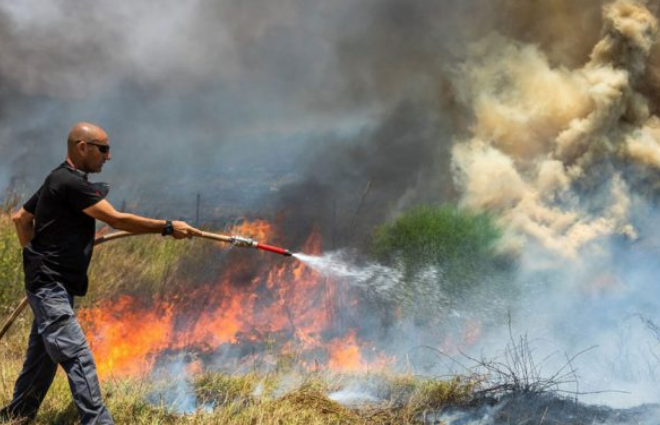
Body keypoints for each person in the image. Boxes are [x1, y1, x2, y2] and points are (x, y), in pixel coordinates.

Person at [0, 122, 202, 424]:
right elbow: (117, 219)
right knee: (76, 356)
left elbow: (20, 219)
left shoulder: (56, 178)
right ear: (83, 147)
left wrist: (34, 261)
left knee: (42, 358)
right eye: (103, 149)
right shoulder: (69, 182)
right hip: (51, 287)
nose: (108, 157)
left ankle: (18, 414)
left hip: (51, 284)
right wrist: (168, 227)